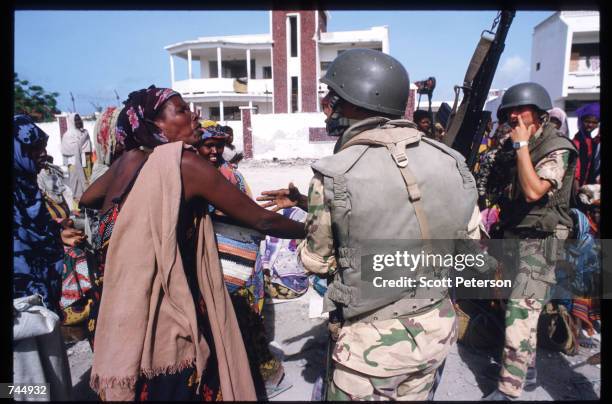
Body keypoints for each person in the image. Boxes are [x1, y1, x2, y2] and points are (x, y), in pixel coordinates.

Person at [259, 49, 484, 400]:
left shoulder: (334, 172)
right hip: (434, 332)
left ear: (353, 101)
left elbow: (315, 262)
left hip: (370, 347)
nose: (326, 106)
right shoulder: (451, 161)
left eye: (332, 97)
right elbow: (468, 244)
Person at [80, 86, 304, 401]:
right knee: (178, 379)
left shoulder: (127, 160)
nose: (194, 116)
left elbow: (87, 198)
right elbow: (262, 220)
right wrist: (313, 229)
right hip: (165, 309)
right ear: (156, 124)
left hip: (118, 303)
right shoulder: (183, 165)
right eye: (182, 111)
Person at [484, 82, 577, 400]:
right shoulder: (514, 145)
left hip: (541, 241)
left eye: (520, 111)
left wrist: (521, 147)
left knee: (520, 314)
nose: (514, 117)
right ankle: (529, 370)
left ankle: (509, 391)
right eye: (509, 113)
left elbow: (535, 191)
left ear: (539, 113)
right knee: (516, 309)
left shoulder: (557, 147)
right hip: (514, 236)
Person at [195, 125, 287, 398]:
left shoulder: (229, 175)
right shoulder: (193, 172)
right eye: (207, 145)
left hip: (237, 258)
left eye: (218, 145)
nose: (213, 151)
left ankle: (253, 377)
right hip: (213, 256)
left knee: (243, 318)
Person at [13, 114, 73, 400]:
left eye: (42, 147)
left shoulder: (29, 191)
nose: (42, 155)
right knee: (24, 381)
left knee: (53, 375)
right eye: (32, 149)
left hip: (43, 305)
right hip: (18, 312)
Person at [61, 113, 92, 205]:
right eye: (76, 120)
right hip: (74, 163)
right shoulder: (68, 135)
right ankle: (77, 207)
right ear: (71, 121)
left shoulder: (85, 133)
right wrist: (80, 144)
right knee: (76, 185)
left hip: (86, 161)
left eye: (79, 119)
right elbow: (68, 149)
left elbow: (87, 147)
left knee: (88, 182)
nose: (78, 121)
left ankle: (89, 203)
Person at [572, 103, 600, 187]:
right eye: (587, 121)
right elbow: (576, 164)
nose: (590, 125)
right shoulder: (577, 141)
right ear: (581, 121)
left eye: (594, 122)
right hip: (577, 184)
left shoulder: (592, 140)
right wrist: (576, 181)